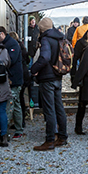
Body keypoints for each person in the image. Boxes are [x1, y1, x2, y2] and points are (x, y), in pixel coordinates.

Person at [30, 17, 68, 151]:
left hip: (47, 78)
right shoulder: (59, 37)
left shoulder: (46, 39)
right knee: (59, 108)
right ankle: (62, 137)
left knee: (49, 110)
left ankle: (50, 140)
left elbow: (45, 57)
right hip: (58, 75)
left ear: (41, 29)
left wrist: (34, 68)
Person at [0, 26, 24, 139]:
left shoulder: (12, 44)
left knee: (10, 105)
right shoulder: (9, 43)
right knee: (16, 105)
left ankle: (5, 132)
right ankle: (18, 129)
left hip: (13, 79)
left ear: (2, 34)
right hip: (13, 78)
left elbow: (11, 60)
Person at [9, 32, 31, 128]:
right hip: (24, 74)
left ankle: (19, 121)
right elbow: (28, 60)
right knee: (20, 98)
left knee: (18, 99)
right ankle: (21, 121)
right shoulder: (22, 47)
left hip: (19, 75)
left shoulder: (14, 48)